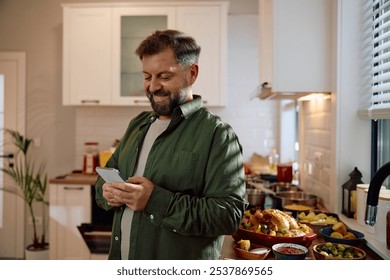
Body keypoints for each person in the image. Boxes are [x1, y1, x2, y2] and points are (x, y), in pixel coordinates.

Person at [95, 29, 248, 260]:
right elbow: (103, 180)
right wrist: (107, 192)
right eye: (147, 76)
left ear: (192, 73)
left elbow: (229, 216)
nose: (153, 86)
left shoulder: (218, 135)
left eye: (165, 77)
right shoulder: (138, 124)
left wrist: (154, 200)